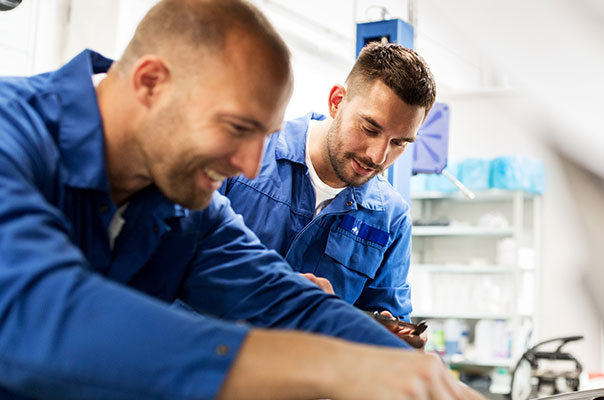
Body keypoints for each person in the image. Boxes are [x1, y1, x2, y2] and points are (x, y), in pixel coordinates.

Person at [0, 0, 478, 398]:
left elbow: (289, 301)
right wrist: (322, 366)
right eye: (237, 128)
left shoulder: (186, 206)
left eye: (264, 136)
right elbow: (33, 311)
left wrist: (424, 379)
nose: (250, 167)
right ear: (150, 82)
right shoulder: (11, 136)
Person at [220, 42, 431, 346]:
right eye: (370, 129)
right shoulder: (247, 152)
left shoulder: (391, 217)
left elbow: (386, 326)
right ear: (336, 102)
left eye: (399, 143)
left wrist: (389, 337)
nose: (378, 156)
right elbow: (184, 259)